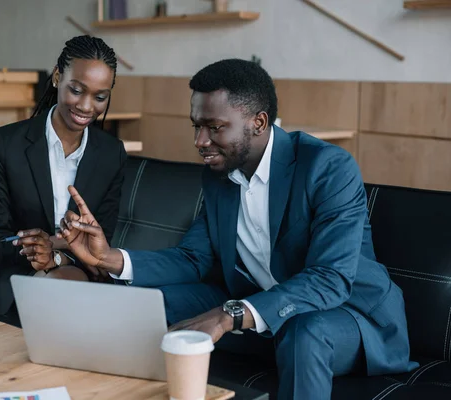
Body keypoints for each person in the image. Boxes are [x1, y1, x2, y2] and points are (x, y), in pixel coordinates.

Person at [55, 59, 418, 399]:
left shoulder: (327, 167)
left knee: (304, 331)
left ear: (258, 123)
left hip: (350, 317)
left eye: (214, 128)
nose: (200, 141)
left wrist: (228, 315)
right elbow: (193, 258)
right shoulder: (218, 177)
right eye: (197, 126)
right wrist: (108, 258)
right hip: (258, 306)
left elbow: (330, 279)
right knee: (150, 305)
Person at [0, 35, 127, 316]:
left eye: (99, 97)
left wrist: (55, 253)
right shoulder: (7, 143)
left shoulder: (112, 153)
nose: (86, 106)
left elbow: (103, 241)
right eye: (76, 90)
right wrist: (36, 249)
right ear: (58, 77)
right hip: (14, 284)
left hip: (80, 279)